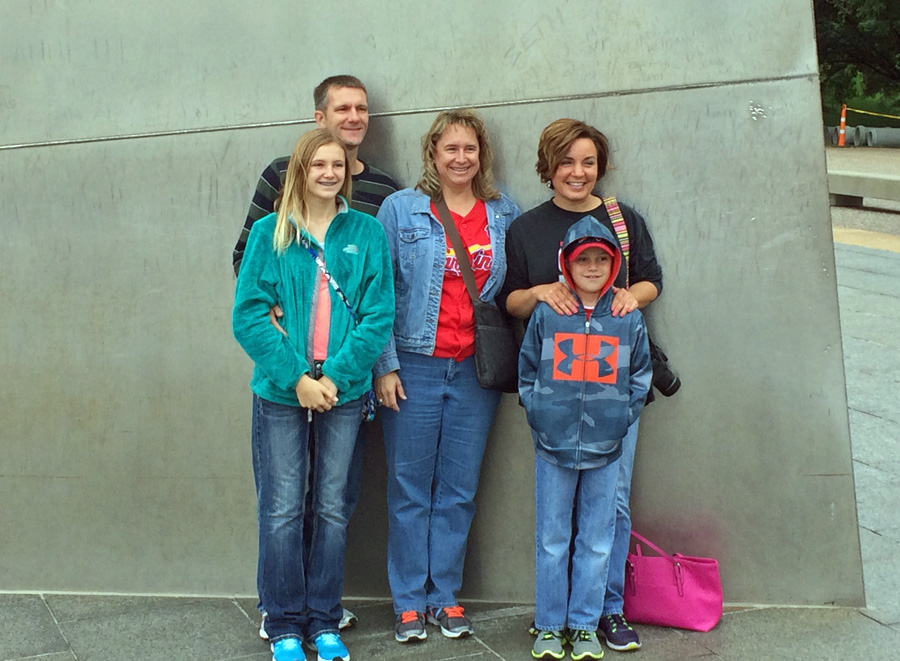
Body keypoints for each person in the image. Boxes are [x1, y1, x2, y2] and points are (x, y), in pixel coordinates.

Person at [233, 74, 399, 637]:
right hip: (282, 391)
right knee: (281, 509)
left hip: (345, 392)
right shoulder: (267, 233)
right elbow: (249, 314)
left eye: (337, 166)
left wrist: (340, 375)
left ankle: (324, 618)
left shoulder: (367, 231)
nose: (328, 173)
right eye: (317, 165)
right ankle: (281, 621)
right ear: (299, 170)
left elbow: (378, 314)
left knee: (331, 508)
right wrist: (298, 376)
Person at [499, 118, 663, 652]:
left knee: (610, 506)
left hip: (613, 393)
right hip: (559, 396)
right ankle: (554, 616)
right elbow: (510, 301)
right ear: (549, 167)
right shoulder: (526, 228)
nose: (578, 171)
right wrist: (545, 290)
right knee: (557, 518)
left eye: (588, 161)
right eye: (567, 161)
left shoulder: (621, 219)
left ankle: (605, 611)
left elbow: (650, 280)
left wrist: (628, 297)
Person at [373, 109, 520, 643]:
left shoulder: (503, 213)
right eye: (450, 148)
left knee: (458, 488)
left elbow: (512, 291)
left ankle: (445, 597)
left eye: (470, 149)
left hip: (476, 371)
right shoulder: (401, 209)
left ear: (482, 155)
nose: (461, 158)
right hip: (414, 363)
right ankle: (409, 601)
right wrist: (384, 365)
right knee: (410, 487)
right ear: (432, 154)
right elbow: (379, 292)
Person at [519, 218, 652, 660]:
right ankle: (551, 625)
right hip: (552, 445)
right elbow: (527, 372)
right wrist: (540, 416)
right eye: (583, 260)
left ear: (614, 265)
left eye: (601, 259)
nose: (592, 267)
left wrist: (618, 421)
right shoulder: (548, 313)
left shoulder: (626, 317)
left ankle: (583, 624)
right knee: (552, 538)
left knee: (597, 538)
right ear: (567, 264)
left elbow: (639, 378)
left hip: (607, 448)